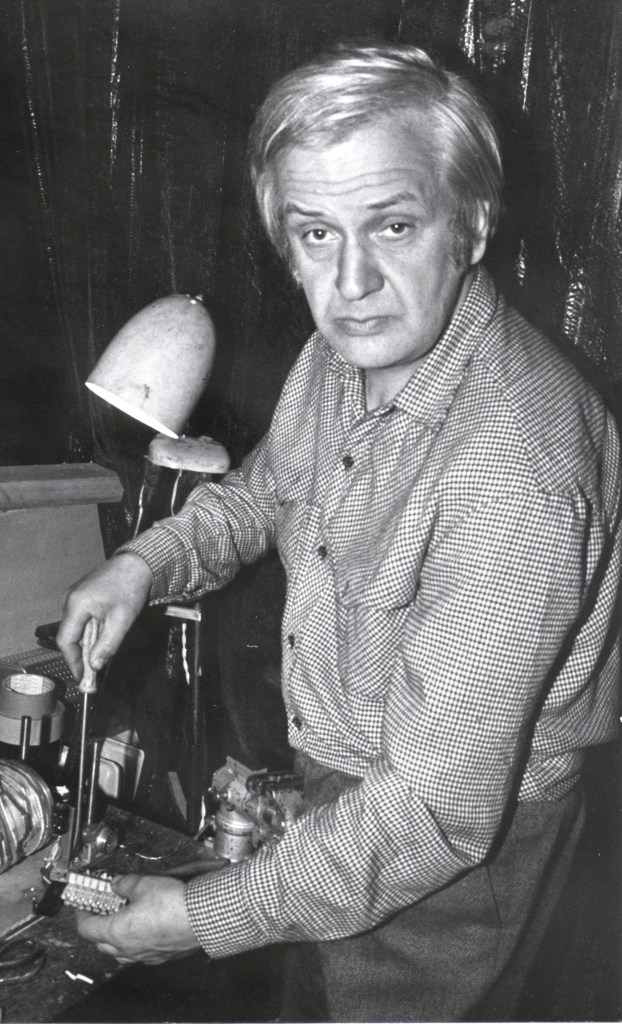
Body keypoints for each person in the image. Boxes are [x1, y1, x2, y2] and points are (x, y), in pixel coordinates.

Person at [57, 42, 621, 1022]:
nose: (351, 282)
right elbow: (266, 492)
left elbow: (434, 813)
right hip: (351, 795)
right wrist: (142, 566)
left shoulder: (515, 473)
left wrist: (200, 915)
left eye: (393, 225)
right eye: (316, 234)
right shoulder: (341, 353)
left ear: (471, 223)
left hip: (451, 856)